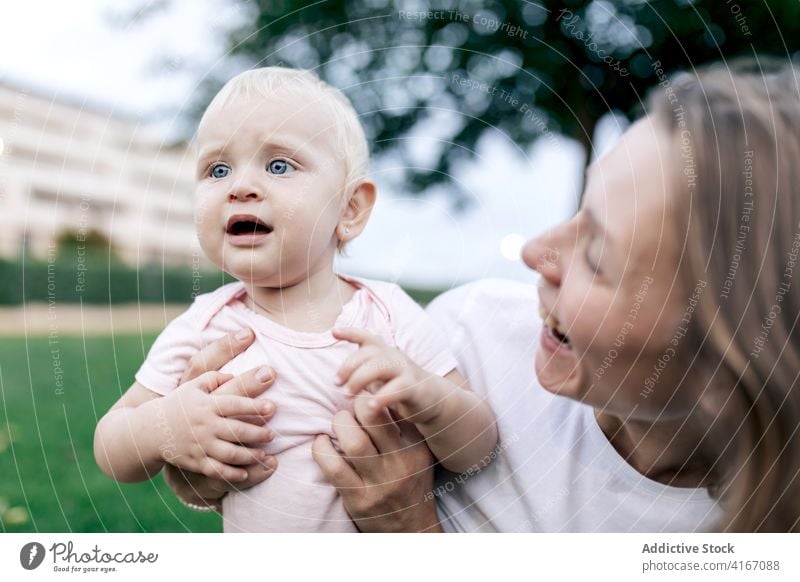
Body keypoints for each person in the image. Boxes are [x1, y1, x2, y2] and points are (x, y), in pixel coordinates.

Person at [164, 60, 800, 533]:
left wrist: (411, 534)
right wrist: (201, 466)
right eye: (582, 207)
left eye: (599, 256)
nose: (534, 255)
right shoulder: (472, 336)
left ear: (727, 370)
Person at [93, 67, 497, 533]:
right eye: (217, 169)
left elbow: (477, 449)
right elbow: (112, 447)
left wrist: (429, 396)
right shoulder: (206, 326)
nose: (239, 186)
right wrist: (164, 425)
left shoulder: (387, 317)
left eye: (279, 165)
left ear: (350, 209)